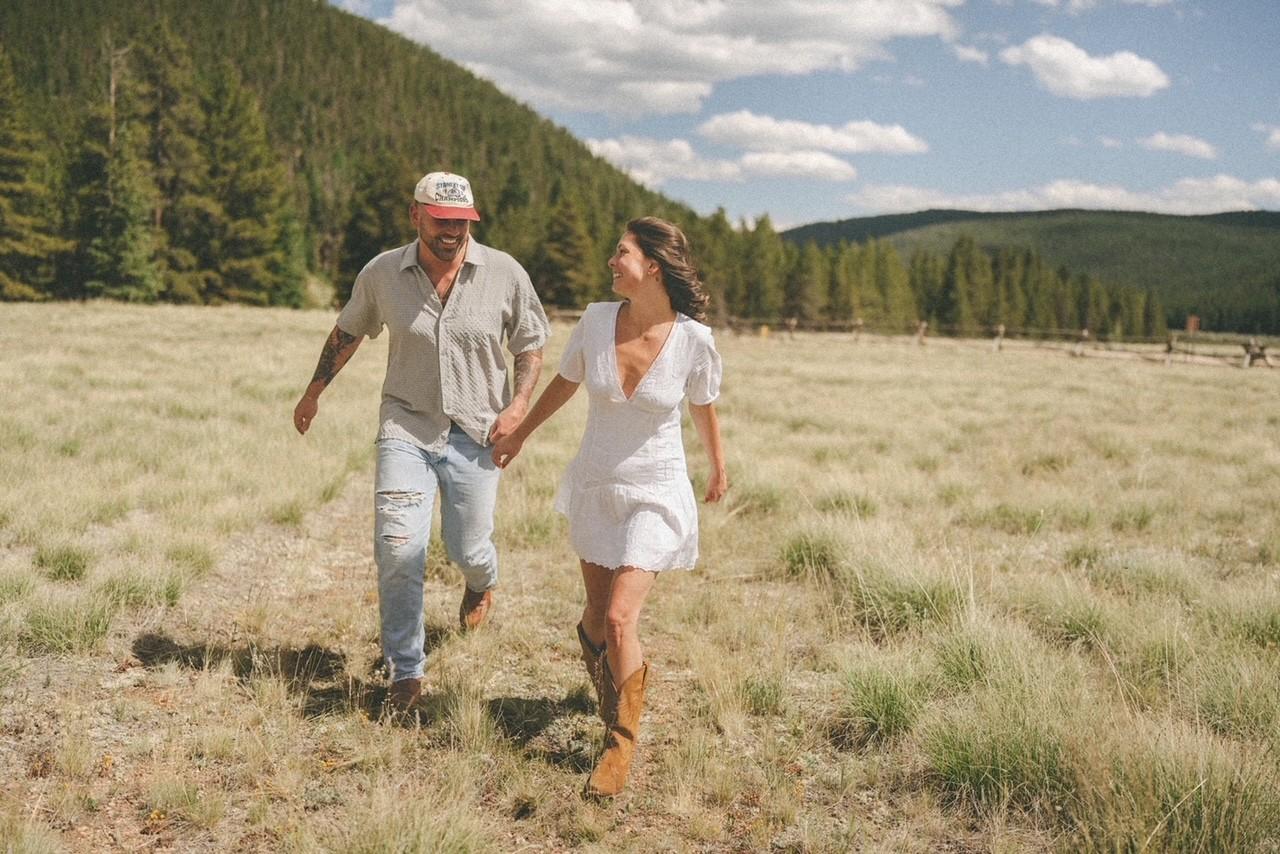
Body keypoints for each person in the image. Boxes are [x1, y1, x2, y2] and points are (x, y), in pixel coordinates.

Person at [293, 171, 549, 713]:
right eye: (441, 221)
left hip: (477, 431)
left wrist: (519, 405)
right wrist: (312, 394)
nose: (453, 232)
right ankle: (405, 670)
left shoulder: (504, 273)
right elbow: (348, 332)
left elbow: (530, 343)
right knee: (398, 546)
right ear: (415, 215)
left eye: (462, 222)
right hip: (405, 427)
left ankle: (482, 582)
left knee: (468, 549)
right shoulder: (383, 272)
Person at [492, 216, 727, 798]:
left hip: (657, 490)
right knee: (597, 619)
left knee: (622, 619)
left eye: (620, 252)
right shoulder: (597, 322)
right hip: (597, 485)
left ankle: (620, 746)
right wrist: (520, 434)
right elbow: (566, 383)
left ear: (652, 265)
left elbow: (703, 407)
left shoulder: (694, 340)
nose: (610, 261)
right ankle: (609, 693)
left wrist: (718, 465)